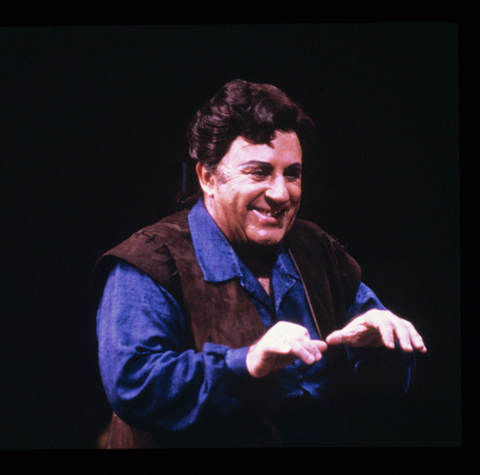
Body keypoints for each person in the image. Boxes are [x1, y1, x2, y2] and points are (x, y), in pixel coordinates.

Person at [93, 79, 427, 448]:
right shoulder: (149, 261)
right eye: (259, 172)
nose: (281, 193)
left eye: (292, 174)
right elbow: (134, 383)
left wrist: (383, 347)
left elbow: (377, 395)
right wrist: (247, 362)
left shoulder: (317, 250)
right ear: (208, 177)